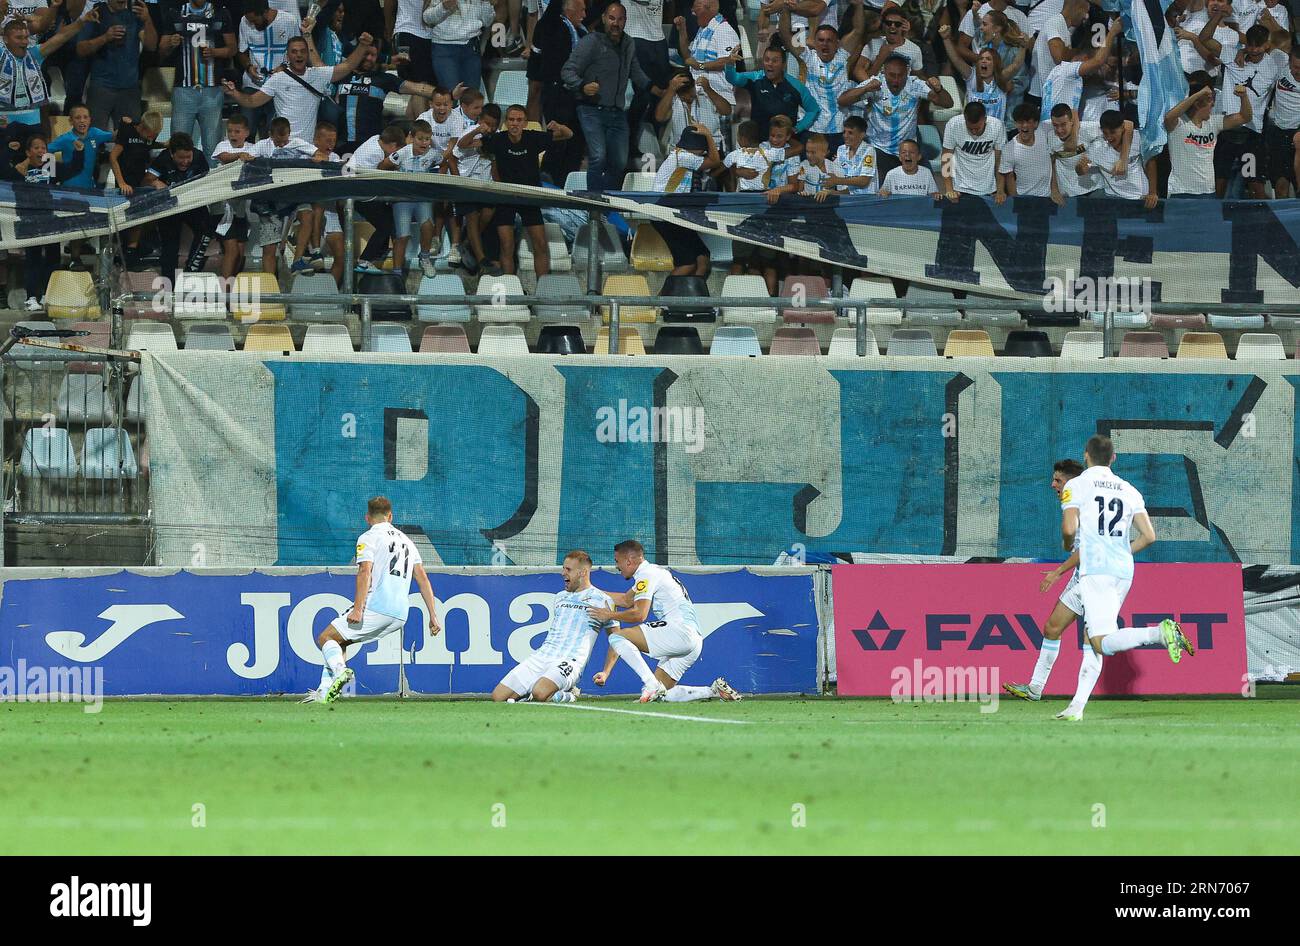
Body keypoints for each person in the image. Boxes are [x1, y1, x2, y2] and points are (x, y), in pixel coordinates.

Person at [1052, 435, 1194, 721]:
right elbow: (1149, 536)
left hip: (1096, 571)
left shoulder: (1076, 485)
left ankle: (1159, 633)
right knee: (1091, 636)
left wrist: (1068, 546)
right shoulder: (1129, 490)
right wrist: (1121, 551)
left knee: (1100, 641)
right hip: (1123, 571)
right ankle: (1076, 708)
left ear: (1086, 456)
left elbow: (1069, 530)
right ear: (1113, 458)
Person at [310, 497, 440, 704]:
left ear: (367, 518)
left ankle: (340, 672)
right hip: (400, 615)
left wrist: (358, 609)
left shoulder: (368, 537)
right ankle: (324, 693)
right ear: (391, 516)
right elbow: (422, 578)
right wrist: (433, 616)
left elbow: (364, 572)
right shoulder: (407, 541)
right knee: (341, 639)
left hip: (377, 607)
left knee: (326, 638)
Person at [587, 539, 742, 704]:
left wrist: (609, 615)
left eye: (617, 562)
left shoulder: (646, 575)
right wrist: (590, 592)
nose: (617, 567)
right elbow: (625, 600)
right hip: (694, 641)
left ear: (629, 561)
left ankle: (651, 684)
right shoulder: (654, 572)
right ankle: (712, 691)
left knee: (617, 637)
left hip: (678, 632)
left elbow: (639, 614)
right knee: (661, 696)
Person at [1002, 458, 1085, 703]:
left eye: (1058, 480)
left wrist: (1057, 572)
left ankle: (1159, 634)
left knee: (1101, 640)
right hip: (1084, 575)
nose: (1053, 485)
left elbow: (1088, 550)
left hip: (1095, 578)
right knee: (1052, 628)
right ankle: (1035, 688)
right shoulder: (1077, 504)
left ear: (1072, 482)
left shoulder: (1080, 506)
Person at [492, 550, 614, 704]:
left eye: (568, 570)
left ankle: (570, 694)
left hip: (570, 661)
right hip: (541, 656)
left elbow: (617, 639)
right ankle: (533, 691)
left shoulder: (603, 600)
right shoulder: (559, 597)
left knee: (540, 694)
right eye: (563, 568)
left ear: (583, 572)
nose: (563, 573)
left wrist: (606, 672)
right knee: (498, 697)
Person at [561, 1, 656, 193]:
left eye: (620, 19)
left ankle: (607, 203)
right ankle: (595, 207)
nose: (616, 23)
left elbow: (636, 72)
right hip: (590, 109)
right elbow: (567, 71)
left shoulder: (629, 43)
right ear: (604, 18)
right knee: (598, 156)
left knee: (620, 161)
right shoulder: (590, 42)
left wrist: (656, 88)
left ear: (625, 21)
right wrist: (582, 85)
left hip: (617, 112)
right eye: (612, 18)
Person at [475, 104, 574, 275]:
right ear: (506, 122)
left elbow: (568, 134)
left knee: (541, 244)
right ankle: (511, 289)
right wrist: (477, 130)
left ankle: (542, 290)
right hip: (506, 198)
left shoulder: (533, 138)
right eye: (511, 120)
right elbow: (466, 143)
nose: (515, 124)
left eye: (519, 120)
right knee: (506, 246)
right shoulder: (498, 140)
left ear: (525, 123)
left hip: (530, 197)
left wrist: (559, 127)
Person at [223, 32, 375, 141]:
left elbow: (348, 66)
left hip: (307, 148)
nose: (299, 55)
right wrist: (234, 93)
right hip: (282, 144)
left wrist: (362, 46)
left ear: (307, 55)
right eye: (294, 52)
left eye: (303, 51)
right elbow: (252, 101)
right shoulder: (278, 79)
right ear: (287, 56)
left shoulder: (318, 74)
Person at [2, 132, 87, 310]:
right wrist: (8, 151)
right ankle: (32, 297)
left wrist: (79, 152)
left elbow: (74, 168)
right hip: (30, 220)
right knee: (33, 258)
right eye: (36, 147)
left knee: (52, 258)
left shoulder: (51, 168)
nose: (41, 150)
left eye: (43, 148)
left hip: (51, 220)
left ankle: (49, 295)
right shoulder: (20, 170)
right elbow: (3, 169)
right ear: (28, 152)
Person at [838, 54, 952, 178]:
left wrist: (939, 89)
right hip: (879, 148)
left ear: (907, 72)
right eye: (892, 75)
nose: (896, 80)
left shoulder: (914, 85)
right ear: (884, 71)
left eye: (901, 75)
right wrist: (865, 89)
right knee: (882, 192)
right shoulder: (875, 84)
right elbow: (842, 100)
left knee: (926, 185)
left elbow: (948, 103)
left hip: (907, 149)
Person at [0, 12, 95, 148]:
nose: (24, 42)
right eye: (19, 38)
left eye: (26, 37)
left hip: (33, 123)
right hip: (5, 123)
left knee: (37, 167)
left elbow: (61, 37)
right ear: (6, 39)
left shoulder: (34, 55)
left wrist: (82, 21)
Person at [158, 0, 238, 157]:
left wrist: (215, 53)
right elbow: (161, 51)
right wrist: (170, 43)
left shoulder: (221, 13)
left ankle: (212, 181)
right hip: (183, 91)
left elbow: (233, 48)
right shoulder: (175, 13)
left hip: (212, 91)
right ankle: (178, 181)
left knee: (213, 149)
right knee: (178, 146)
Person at [780, 6, 865, 155]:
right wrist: (786, 9)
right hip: (811, 130)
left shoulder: (842, 57)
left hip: (838, 131)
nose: (825, 44)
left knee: (835, 175)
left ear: (837, 43)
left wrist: (858, 5)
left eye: (829, 41)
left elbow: (858, 30)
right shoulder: (807, 58)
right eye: (821, 40)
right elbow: (785, 34)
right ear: (815, 42)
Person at [1215, 24, 1286, 199]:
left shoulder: (1276, 63)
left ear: (1267, 45)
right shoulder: (1233, 56)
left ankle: (1264, 223)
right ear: (1246, 44)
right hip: (1227, 130)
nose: (1254, 50)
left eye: (1259, 46)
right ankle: (1213, 222)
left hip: (1251, 135)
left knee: (1255, 185)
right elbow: (1204, 40)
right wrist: (1241, 50)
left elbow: (1287, 43)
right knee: (1219, 184)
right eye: (1251, 45)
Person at [332, 41, 434, 155]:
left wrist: (447, 95)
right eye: (366, 53)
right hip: (340, 144)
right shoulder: (340, 75)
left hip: (371, 146)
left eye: (373, 55)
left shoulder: (383, 79)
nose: (370, 58)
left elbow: (417, 88)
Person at [76, 0, 157, 132]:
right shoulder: (96, 13)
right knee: (95, 137)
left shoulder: (136, 13)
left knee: (130, 139)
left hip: (129, 89)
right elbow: (80, 49)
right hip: (101, 87)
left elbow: (151, 45)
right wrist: (105, 38)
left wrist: (147, 20)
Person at [529, 0, 587, 183]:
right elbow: (536, 55)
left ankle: (565, 183)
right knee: (557, 140)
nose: (585, 15)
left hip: (577, 97)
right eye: (582, 10)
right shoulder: (550, 25)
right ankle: (547, 178)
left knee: (575, 143)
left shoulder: (581, 31)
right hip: (556, 94)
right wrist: (536, 82)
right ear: (569, 9)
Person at [143, 132, 214, 277]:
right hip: (170, 207)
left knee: (207, 228)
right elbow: (147, 180)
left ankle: (190, 272)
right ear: (171, 153)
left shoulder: (199, 157)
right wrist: (155, 182)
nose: (185, 161)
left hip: (192, 203)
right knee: (170, 247)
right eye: (181, 158)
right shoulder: (162, 159)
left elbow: (207, 180)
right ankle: (169, 289)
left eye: (188, 157)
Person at [378, 119, 441, 277]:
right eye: (420, 139)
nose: (424, 143)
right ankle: (397, 273)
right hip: (402, 199)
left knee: (428, 226)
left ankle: (424, 258)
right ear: (412, 137)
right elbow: (382, 166)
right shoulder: (401, 153)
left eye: (427, 139)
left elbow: (445, 162)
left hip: (422, 198)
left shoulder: (433, 154)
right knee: (403, 235)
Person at [652, 125, 718, 275]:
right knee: (687, 264)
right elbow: (714, 161)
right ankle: (662, 299)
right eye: (702, 148)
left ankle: (696, 296)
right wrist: (708, 135)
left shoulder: (681, 155)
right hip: (664, 216)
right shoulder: (682, 157)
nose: (704, 152)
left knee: (703, 258)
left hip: (676, 215)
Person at [1165, 83, 1251, 197]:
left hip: (1208, 192)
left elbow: (1245, 117)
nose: (1213, 104)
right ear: (1196, 103)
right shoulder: (1179, 124)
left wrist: (1244, 96)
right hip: (1181, 191)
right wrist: (1198, 94)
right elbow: (1168, 117)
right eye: (1209, 100)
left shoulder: (1214, 123)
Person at [724, 44, 818, 140]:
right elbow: (733, 78)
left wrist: (797, 128)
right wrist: (730, 64)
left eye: (775, 61)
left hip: (785, 143)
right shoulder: (755, 78)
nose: (770, 64)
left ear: (783, 64)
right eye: (767, 60)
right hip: (758, 142)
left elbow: (813, 110)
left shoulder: (796, 86)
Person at [236, 0, 301, 138]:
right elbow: (241, 51)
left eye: (255, 20)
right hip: (253, 86)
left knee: (275, 136)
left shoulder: (289, 21)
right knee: (245, 135)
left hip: (280, 87)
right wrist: (248, 67)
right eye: (250, 21)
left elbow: (299, 52)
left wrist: (284, 67)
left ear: (266, 12)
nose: (252, 24)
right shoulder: (244, 21)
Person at [347, 125, 407, 273]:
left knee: (389, 219)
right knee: (386, 225)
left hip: (359, 190)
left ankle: (379, 253)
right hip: (360, 194)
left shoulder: (375, 138)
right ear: (393, 145)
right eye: (396, 150)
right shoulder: (374, 154)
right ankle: (365, 260)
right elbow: (378, 178)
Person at [1038, 18, 1119, 123]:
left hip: (1051, 127)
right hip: (1056, 127)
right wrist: (1113, 32)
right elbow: (1098, 61)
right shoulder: (1068, 71)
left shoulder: (1057, 72)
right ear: (1084, 59)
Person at [451, 102, 499, 276]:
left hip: (486, 186)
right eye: (487, 123)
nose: (490, 128)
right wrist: (477, 132)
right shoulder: (469, 131)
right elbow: (461, 146)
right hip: (467, 184)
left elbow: (494, 163)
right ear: (479, 119)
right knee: (472, 216)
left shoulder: (497, 137)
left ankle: (467, 243)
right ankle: (481, 259)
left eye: (494, 125)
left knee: (488, 213)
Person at [940, 24, 1023, 124]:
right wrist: (946, 39)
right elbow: (956, 60)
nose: (983, 61)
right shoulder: (972, 77)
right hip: (972, 131)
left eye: (988, 59)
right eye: (981, 59)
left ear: (995, 63)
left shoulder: (1001, 79)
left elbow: (1016, 64)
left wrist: (1023, 46)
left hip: (996, 133)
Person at [212, 113, 256, 278]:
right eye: (230, 131)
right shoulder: (223, 146)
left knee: (240, 252)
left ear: (246, 133)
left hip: (241, 211)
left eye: (237, 132)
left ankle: (233, 285)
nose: (233, 135)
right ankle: (224, 290)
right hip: (224, 209)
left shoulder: (253, 148)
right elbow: (224, 158)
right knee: (231, 251)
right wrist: (240, 156)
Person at [421, 0, 496, 93]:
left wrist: (485, 3)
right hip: (444, 48)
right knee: (450, 95)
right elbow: (427, 18)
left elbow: (487, 22)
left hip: (471, 47)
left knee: (471, 96)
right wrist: (444, 6)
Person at [1087, 110, 1156, 207]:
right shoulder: (1097, 146)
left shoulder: (1137, 138)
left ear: (1122, 128)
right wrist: (1082, 168)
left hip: (1139, 197)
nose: (1109, 137)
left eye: (1113, 132)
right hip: (1111, 198)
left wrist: (1152, 193)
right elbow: (1087, 164)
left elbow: (1150, 163)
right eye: (1105, 133)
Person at [941, 101, 1006, 202]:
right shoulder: (953, 124)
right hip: (960, 188)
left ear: (985, 119)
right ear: (965, 119)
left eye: (977, 128)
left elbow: (1000, 160)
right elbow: (946, 158)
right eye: (970, 128)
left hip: (989, 188)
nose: (974, 132)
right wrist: (949, 189)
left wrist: (1000, 190)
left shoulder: (997, 126)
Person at [654, 70, 730, 148]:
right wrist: (671, 89)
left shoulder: (706, 95)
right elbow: (659, 117)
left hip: (711, 150)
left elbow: (727, 111)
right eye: (683, 93)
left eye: (689, 91)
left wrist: (708, 89)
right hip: (681, 152)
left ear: (693, 83)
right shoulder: (672, 99)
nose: (686, 96)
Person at [998, 101, 1052, 198]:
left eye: (1028, 121)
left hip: (1047, 198)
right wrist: (1016, 199)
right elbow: (1009, 176)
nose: (1024, 126)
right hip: (1023, 199)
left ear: (1036, 123)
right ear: (1015, 124)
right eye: (1020, 122)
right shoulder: (1008, 149)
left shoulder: (1045, 131)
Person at [1268, 47, 1300, 198]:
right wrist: (1242, 52)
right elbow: (1263, 45)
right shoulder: (1279, 60)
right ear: (1289, 62)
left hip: (1298, 133)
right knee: (1281, 187)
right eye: (1296, 67)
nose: (1298, 72)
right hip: (1278, 133)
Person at [830, 113, 876, 194]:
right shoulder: (841, 149)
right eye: (844, 132)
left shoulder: (869, 151)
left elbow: (863, 181)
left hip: (865, 199)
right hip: (844, 197)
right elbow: (833, 173)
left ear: (862, 135)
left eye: (850, 133)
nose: (845, 135)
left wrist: (837, 180)